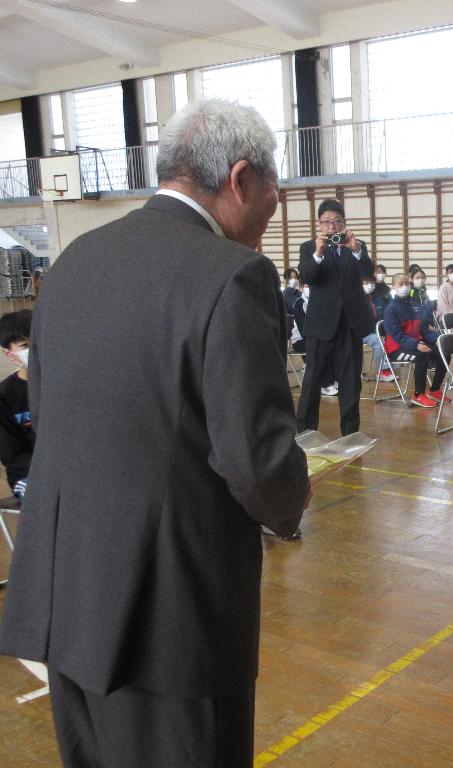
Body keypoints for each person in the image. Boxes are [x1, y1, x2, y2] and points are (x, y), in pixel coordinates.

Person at [0, 98, 310, 766]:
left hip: (68, 595)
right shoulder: (232, 274)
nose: (271, 213)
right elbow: (257, 462)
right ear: (241, 179)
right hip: (172, 613)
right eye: (273, 194)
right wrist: (291, 502)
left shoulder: (75, 261)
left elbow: (48, 413)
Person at [295, 199, 374, 436]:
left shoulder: (356, 245)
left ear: (344, 223)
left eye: (337, 221)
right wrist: (319, 253)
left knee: (351, 381)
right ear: (318, 224)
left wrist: (356, 250)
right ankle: (305, 432)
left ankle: (350, 434)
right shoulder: (308, 247)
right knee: (312, 379)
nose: (332, 226)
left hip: (350, 323)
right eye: (327, 221)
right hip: (321, 324)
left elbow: (369, 272)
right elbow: (307, 276)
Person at [383, 274, 448, 408]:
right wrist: (416, 344)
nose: (405, 287)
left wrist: (437, 339)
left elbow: (423, 329)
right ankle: (418, 395)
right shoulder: (391, 309)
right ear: (393, 287)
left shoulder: (416, 306)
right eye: (401, 284)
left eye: (407, 283)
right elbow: (397, 336)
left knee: (444, 353)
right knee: (422, 354)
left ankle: (435, 390)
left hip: (416, 344)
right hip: (396, 349)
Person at [0, 309, 35, 500]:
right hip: (29, 474)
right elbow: (12, 455)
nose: (35, 349)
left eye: (37, 341)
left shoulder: (65, 387)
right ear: (9, 353)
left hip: (72, 469)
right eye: (25, 345)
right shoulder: (4, 396)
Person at [361, 272, 393, 383]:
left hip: (375, 333)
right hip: (358, 334)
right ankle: (382, 371)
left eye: (372, 282)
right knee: (378, 340)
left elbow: (385, 317)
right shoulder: (355, 299)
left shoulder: (378, 298)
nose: (369, 285)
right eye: (366, 282)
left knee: (388, 339)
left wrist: (385, 333)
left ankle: (386, 369)